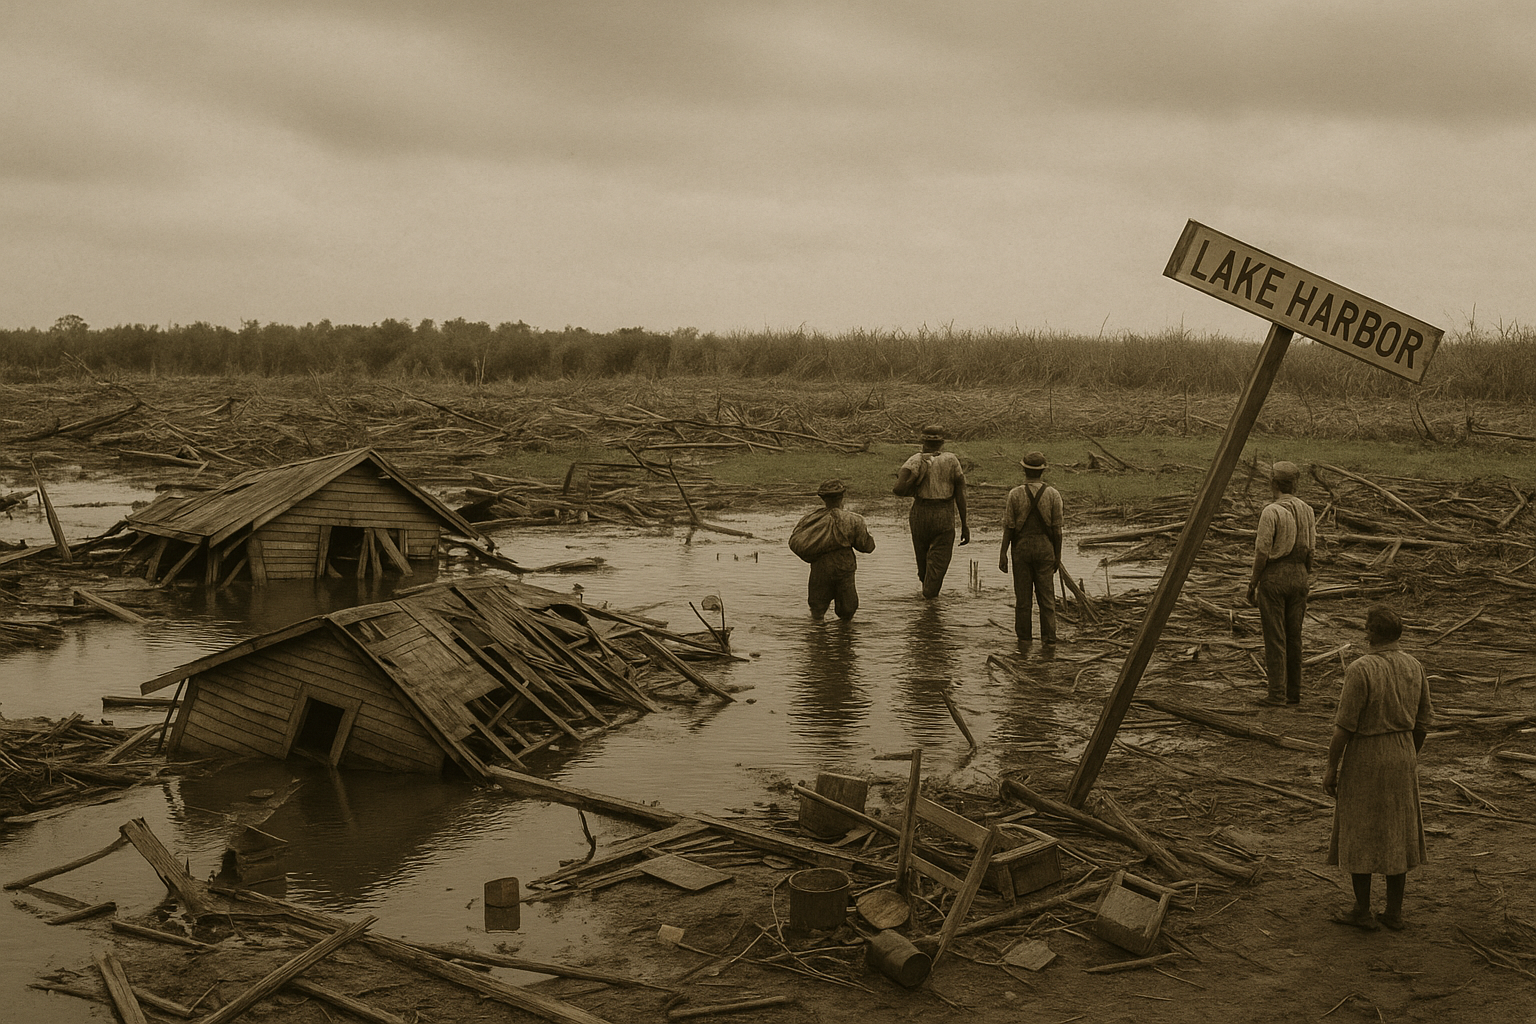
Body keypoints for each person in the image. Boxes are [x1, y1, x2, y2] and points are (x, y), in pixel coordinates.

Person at [1323, 604, 1432, 931]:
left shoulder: (1361, 668)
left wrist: (1331, 768)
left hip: (1367, 755)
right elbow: (1424, 723)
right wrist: (1408, 754)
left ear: (1372, 633)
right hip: (1402, 753)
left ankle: (1362, 910)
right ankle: (1394, 913)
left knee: (1360, 830)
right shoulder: (1415, 666)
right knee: (1397, 831)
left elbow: (1344, 728)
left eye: (1367, 626)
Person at [1247, 460, 1316, 705]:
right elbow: (1311, 551)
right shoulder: (1307, 510)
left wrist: (1253, 583)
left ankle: (1276, 694)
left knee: (1275, 637)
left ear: (1273, 483)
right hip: (1300, 576)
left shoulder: (1271, 511)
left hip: (1275, 578)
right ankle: (1293, 694)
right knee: (1294, 637)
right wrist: (1302, 575)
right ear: (1294, 484)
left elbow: (1262, 553)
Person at [893, 424, 969, 599]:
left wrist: (915, 477)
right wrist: (965, 524)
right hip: (944, 514)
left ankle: (927, 603)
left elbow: (898, 489)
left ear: (923, 441)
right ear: (942, 442)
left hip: (920, 513)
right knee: (938, 564)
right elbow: (961, 494)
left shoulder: (915, 460)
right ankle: (930, 602)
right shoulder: (952, 460)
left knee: (923, 563)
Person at [998, 451, 1064, 645]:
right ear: (1043, 471)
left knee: (1023, 600)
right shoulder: (1053, 494)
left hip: (1021, 548)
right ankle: (1049, 640)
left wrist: (1003, 554)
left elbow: (1009, 527)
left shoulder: (1015, 494)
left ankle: (1024, 641)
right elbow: (1057, 530)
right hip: (1046, 548)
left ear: (1023, 469)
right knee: (1047, 598)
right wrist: (1057, 556)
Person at [790, 479, 876, 621]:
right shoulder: (853, 520)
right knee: (847, 612)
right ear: (842, 497)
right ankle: (845, 639)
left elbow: (796, 541)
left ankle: (818, 637)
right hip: (844, 566)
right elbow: (866, 547)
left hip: (820, 567)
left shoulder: (809, 519)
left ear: (823, 498)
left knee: (817, 611)